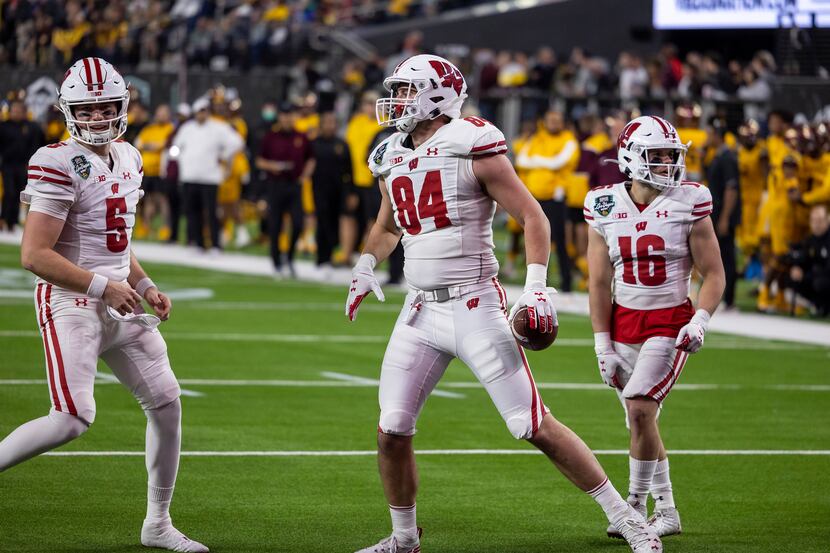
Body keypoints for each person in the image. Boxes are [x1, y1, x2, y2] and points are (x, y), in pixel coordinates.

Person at [346, 54, 661, 553]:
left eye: (408, 91)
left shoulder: (472, 142)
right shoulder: (389, 154)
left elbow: (534, 218)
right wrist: (366, 264)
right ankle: (404, 538)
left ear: (436, 96)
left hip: (474, 304)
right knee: (391, 428)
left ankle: (625, 516)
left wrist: (535, 286)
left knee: (531, 424)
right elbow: (388, 226)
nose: (397, 101)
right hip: (419, 310)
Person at [0, 57, 207, 552]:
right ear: (69, 111)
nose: (97, 117)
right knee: (71, 418)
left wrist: (145, 282)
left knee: (167, 405)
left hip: (121, 298)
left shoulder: (130, 156)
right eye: (88, 109)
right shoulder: (54, 160)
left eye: (107, 106)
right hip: (73, 301)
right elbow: (34, 254)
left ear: (123, 105)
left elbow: (116, 241)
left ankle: (158, 523)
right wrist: (101, 287)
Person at [584, 115, 726, 540]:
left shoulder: (690, 199)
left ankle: (632, 507)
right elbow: (598, 281)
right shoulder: (603, 203)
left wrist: (700, 320)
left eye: (671, 154)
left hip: (670, 320)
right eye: (657, 155)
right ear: (630, 158)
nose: (667, 163)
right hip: (624, 321)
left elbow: (714, 273)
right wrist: (601, 344)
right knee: (639, 421)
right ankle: (668, 510)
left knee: (642, 408)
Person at [515, 109, 579, 291]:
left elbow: (558, 162)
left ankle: (566, 283)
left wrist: (536, 160)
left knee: (559, 241)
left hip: (555, 198)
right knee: (535, 240)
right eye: (550, 119)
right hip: (534, 197)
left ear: (562, 122)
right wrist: (545, 161)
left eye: (557, 120)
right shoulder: (537, 138)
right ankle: (539, 283)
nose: (553, 123)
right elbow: (521, 160)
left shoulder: (568, 140)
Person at [172, 97, 243, 252]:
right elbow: (176, 146)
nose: (201, 115)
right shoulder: (187, 128)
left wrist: (224, 155)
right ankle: (197, 243)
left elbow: (237, 142)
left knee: (211, 213)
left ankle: (215, 245)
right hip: (189, 176)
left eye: (204, 111)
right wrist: (179, 158)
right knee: (192, 212)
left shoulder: (218, 127)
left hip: (210, 178)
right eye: (199, 112)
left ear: (208, 112)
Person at [255, 102, 314, 277]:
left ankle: (289, 256)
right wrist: (272, 166)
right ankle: (276, 260)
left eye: (290, 115)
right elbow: (259, 160)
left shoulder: (301, 136)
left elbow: (311, 158)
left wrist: (305, 175)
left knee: (298, 223)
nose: (287, 118)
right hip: (276, 185)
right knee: (275, 225)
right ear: (280, 117)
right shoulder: (270, 136)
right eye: (284, 115)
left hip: (294, 185)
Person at [705, 118, 740, 309]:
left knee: (726, 256)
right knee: (719, 256)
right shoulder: (717, 156)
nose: (707, 137)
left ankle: (729, 300)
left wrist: (725, 217)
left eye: (710, 133)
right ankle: (723, 298)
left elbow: (731, 189)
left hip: (724, 215)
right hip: (717, 213)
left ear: (717, 135)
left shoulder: (727, 157)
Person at [310, 112, 352, 268]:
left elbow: (349, 170)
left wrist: (351, 192)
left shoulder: (341, 144)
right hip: (319, 190)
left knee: (335, 223)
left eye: (333, 122)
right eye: (327, 122)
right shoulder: (314, 144)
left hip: (338, 190)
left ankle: (331, 255)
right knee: (322, 223)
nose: (330, 126)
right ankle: (321, 258)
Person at [0, 98, 45, 231]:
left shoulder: (32, 127)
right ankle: (3, 219)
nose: (16, 113)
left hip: (24, 165)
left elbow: (39, 144)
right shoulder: (3, 126)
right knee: (9, 192)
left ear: (24, 112)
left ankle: (12, 222)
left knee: (20, 193)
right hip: (7, 164)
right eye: (13, 110)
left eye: (19, 110)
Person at [134, 104, 175, 240]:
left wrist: (150, 146)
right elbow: (138, 143)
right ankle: (146, 226)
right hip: (146, 170)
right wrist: (151, 146)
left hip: (161, 171)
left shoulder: (170, 129)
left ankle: (165, 228)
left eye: (164, 113)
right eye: (159, 113)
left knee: (162, 200)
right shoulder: (149, 128)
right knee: (148, 199)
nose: (161, 116)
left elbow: (164, 144)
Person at [787, 204, 830, 316]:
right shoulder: (809, 240)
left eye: (820, 220)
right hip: (815, 278)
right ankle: (818, 305)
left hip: (824, 278)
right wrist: (797, 269)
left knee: (820, 283)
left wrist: (807, 276)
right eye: (814, 221)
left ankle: (825, 306)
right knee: (793, 279)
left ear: (827, 220)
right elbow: (804, 259)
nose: (817, 224)